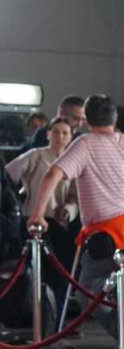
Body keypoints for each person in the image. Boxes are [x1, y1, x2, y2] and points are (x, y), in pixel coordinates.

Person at [26, 95, 124, 349]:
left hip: (109, 232)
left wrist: (37, 214)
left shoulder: (85, 144)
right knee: (120, 296)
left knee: (94, 295)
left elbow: (53, 174)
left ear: (86, 119)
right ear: (114, 117)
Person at [6, 118, 80, 289]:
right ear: (48, 135)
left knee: (59, 272)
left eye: (64, 133)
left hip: (59, 221)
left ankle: (55, 311)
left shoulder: (74, 161)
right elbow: (9, 173)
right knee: (31, 269)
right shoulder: (36, 155)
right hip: (32, 217)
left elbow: (75, 196)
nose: (60, 137)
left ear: (70, 137)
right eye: (55, 132)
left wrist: (69, 210)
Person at [21, 95, 86, 153]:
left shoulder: (79, 138)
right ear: (61, 114)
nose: (80, 124)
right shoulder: (42, 134)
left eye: (83, 119)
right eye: (75, 118)